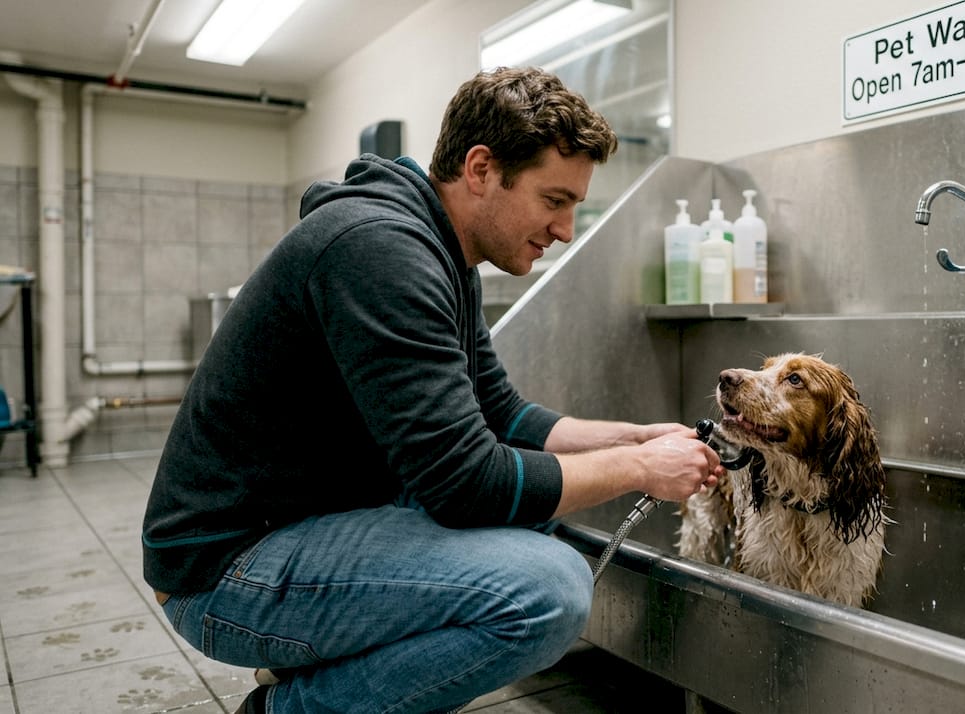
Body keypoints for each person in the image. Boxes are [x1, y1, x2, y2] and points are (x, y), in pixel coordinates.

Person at [141, 66, 722, 714]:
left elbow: (500, 413)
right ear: (480, 169)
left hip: (294, 528)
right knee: (548, 590)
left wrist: (632, 437)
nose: (564, 230)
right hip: (222, 571)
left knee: (530, 530)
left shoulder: (445, 253)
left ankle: (322, 672)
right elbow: (467, 483)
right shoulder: (382, 251)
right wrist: (639, 468)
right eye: (554, 200)